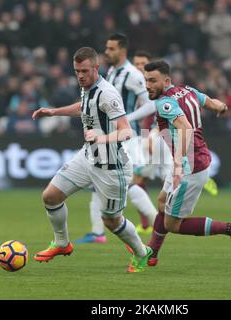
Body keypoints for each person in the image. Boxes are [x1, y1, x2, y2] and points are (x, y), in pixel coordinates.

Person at [32, 47, 152, 273]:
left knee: (111, 221)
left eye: (85, 71)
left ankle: (142, 252)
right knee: (50, 196)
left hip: (111, 166)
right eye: (77, 71)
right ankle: (61, 243)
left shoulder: (108, 94)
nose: (80, 75)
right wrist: (54, 112)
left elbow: (126, 132)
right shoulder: (87, 88)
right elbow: (84, 108)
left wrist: (102, 137)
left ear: (96, 68)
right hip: (87, 157)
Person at [141, 60, 231, 267]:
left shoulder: (166, 102)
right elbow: (207, 100)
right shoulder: (186, 90)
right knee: (162, 201)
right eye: (146, 80)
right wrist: (220, 105)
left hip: (189, 167)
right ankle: (151, 253)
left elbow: (186, 129)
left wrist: (179, 166)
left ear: (166, 81)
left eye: (153, 81)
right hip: (190, 161)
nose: (148, 85)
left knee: (172, 224)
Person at [74, 34, 158, 244]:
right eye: (106, 48)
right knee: (99, 181)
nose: (107, 52)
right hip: (107, 138)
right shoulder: (111, 72)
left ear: (122, 50)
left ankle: (157, 222)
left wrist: (126, 119)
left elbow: (151, 103)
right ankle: (97, 233)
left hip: (125, 139)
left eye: (111, 49)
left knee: (129, 183)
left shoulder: (132, 74)